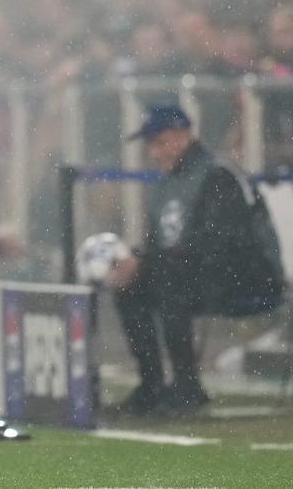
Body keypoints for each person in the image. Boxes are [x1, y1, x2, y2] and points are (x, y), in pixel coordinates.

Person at [112, 105, 285, 415]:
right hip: (193, 275)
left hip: (247, 276)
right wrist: (134, 261)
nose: (154, 153)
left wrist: (152, 262)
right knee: (129, 286)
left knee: (169, 278)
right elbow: (160, 244)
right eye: (151, 145)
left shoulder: (218, 174)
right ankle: (152, 385)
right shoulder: (166, 184)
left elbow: (219, 242)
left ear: (184, 136)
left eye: (160, 142)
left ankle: (187, 386)